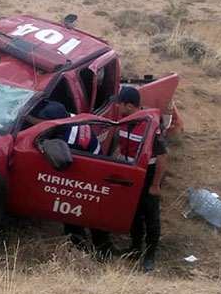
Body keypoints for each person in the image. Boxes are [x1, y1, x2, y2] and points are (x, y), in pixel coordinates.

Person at [29, 100, 110, 254]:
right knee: (91, 213)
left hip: (89, 176)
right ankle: (101, 247)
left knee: (72, 212)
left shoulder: (70, 140)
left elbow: (61, 160)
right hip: (96, 167)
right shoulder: (72, 118)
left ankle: (83, 249)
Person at [110, 85, 168, 272]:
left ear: (128, 106)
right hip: (130, 173)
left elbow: (161, 156)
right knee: (133, 213)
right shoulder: (125, 120)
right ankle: (135, 248)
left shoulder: (149, 125)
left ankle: (150, 254)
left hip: (148, 174)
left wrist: (155, 184)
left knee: (150, 215)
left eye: (119, 104)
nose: (117, 108)